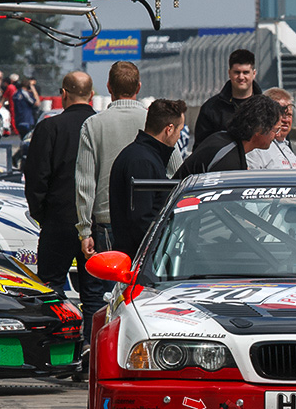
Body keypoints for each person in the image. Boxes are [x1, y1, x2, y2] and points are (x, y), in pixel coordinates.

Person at [75, 62, 183, 332]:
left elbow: (85, 181)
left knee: (99, 295)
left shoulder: (93, 124)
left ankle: (94, 346)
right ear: (139, 87)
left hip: (106, 221)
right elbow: (179, 172)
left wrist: (84, 229)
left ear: (109, 88)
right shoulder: (153, 122)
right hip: (143, 230)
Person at [23, 72, 98, 340]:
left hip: (59, 218)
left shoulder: (49, 128)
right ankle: (90, 352)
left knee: (51, 287)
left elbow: (36, 176)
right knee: (95, 295)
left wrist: (42, 213)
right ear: (92, 94)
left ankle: (56, 345)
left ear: (63, 93)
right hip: (97, 221)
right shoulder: (100, 125)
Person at [109, 99, 187, 259]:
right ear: (169, 129)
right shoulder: (143, 162)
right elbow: (142, 221)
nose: (179, 136)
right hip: (138, 260)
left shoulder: (143, 155)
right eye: (180, 130)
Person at [175, 94, 281, 178]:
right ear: (259, 129)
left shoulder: (223, 139)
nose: (276, 135)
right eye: (275, 130)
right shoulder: (228, 160)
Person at [193, 49, 263, 150]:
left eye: (246, 72)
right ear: (229, 73)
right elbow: (200, 149)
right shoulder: (211, 108)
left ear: (254, 73)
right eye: (237, 72)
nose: (241, 77)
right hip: (225, 165)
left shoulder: (266, 107)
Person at [244, 88, 296, 170]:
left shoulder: (286, 147)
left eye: (289, 115)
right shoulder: (258, 147)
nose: (285, 119)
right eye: (280, 114)